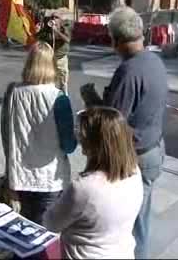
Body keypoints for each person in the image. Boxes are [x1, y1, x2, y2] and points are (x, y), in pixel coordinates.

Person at [80, 7, 168, 259]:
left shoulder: (129, 71)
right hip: (153, 149)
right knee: (139, 220)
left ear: (116, 40)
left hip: (136, 157)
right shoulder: (153, 60)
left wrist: (91, 99)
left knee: (131, 228)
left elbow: (111, 123)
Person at [43, 106, 143, 259]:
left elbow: (51, 223)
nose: (81, 142)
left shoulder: (84, 188)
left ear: (94, 145)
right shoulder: (135, 171)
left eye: (83, 138)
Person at [0, 41, 77, 225]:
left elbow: (6, 135)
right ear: (51, 65)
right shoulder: (59, 98)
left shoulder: (13, 92)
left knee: (24, 229)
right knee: (44, 236)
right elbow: (69, 145)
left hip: (20, 178)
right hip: (50, 179)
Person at [36, 12, 71, 94]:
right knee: (49, 80)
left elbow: (67, 39)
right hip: (49, 59)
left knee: (63, 81)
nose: (53, 19)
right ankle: (51, 98)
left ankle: (64, 97)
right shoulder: (47, 29)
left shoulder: (64, 28)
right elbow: (38, 38)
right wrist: (37, 31)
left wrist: (56, 31)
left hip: (61, 59)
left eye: (56, 17)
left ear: (60, 20)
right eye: (52, 17)